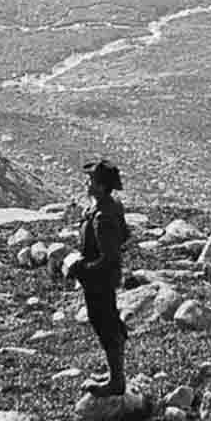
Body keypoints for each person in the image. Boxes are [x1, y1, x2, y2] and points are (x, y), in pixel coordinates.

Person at [66, 158, 131, 397]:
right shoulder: (109, 206)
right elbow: (125, 235)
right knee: (108, 321)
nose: (87, 183)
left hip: (99, 280)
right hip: (102, 278)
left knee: (105, 325)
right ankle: (115, 374)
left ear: (101, 186)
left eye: (91, 180)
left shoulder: (103, 216)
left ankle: (116, 382)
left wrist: (82, 269)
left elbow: (109, 257)